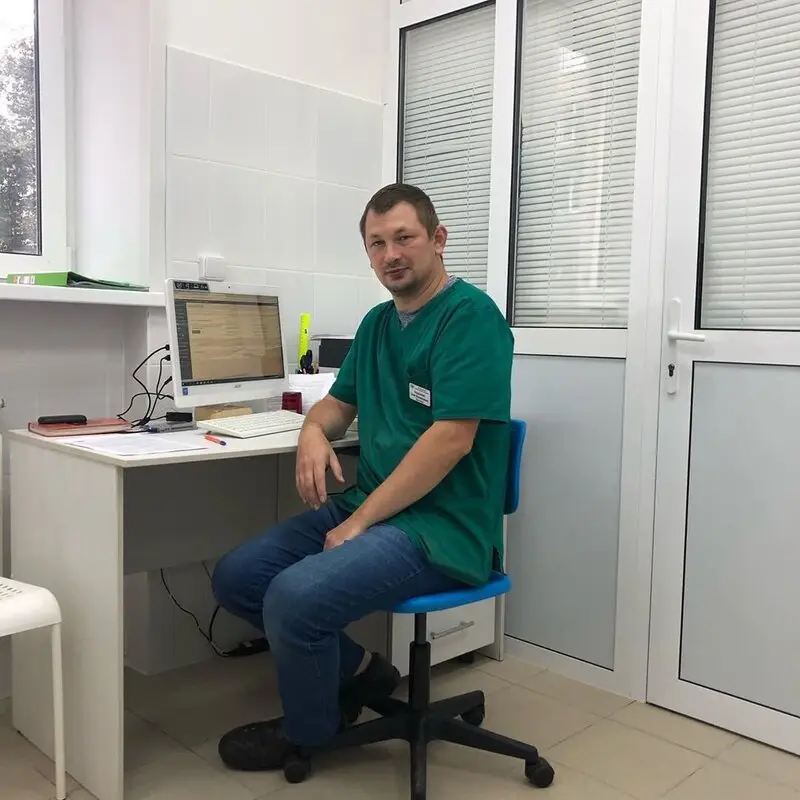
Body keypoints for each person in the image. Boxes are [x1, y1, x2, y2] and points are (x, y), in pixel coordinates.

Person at [212, 183, 514, 773]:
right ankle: (360, 671)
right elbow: (336, 405)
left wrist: (359, 522)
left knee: (293, 597)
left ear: (438, 239)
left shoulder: (471, 319)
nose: (390, 254)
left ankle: (310, 732)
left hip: (440, 527)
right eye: (377, 244)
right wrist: (311, 432)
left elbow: (452, 439)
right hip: (373, 507)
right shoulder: (378, 324)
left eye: (404, 238)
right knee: (239, 577)